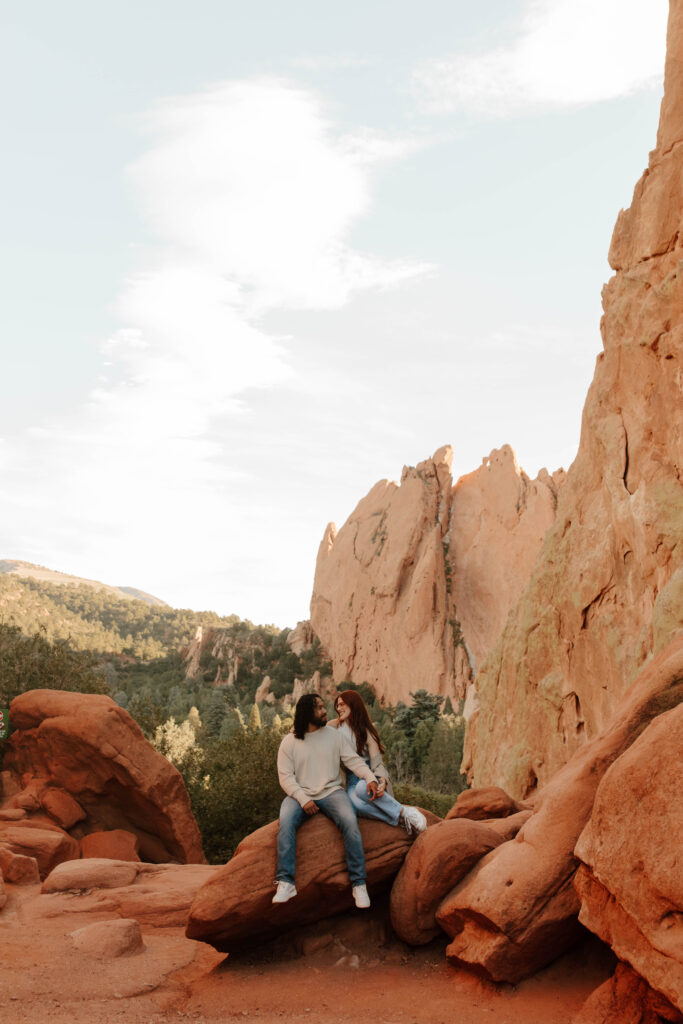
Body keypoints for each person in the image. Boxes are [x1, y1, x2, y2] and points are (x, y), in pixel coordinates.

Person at [273, 692, 380, 909]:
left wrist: (370, 777)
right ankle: (286, 882)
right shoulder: (289, 742)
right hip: (299, 794)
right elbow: (285, 778)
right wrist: (303, 799)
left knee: (350, 821)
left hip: (332, 792)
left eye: (324, 707)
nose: (325, 711)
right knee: (285, 822)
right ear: (307, 713)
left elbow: (353, 761)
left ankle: (358, 883)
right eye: (320, 708)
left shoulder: (334, 736)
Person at [329, 690, 427, 835]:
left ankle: (406, 811)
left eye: (342, 704)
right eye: (337, 706)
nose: (339, 708)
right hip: (350, 780)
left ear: (353, 705)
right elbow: (315, 730)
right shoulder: (334, 726)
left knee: (363, 789)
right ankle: (399, 819)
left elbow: (377, 763)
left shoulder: (367, 731)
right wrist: (297, 728)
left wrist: (382, 781)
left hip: (368, 776)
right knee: (355, 806)